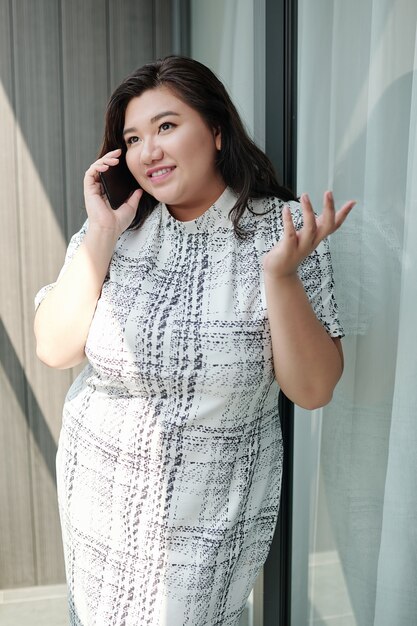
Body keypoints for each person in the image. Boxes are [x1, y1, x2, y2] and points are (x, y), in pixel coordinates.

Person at [34, 55, 354, 626]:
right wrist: (101, 234)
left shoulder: (283, 231)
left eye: (166, 126)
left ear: (216, 130)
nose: (147, 151)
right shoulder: (115, 225)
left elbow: (312, 389)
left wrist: (279, 277)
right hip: (98, 498)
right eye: (132, 138)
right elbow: (55, 350)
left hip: (211, 519)